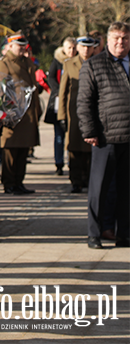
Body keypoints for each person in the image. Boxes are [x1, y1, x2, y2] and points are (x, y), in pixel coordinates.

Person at [77, 22, 130, 249]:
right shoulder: (93, 65)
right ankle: (94, 234)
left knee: (126, 190)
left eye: (125, 38)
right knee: (99, 188)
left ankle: (124, 234)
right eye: (116, 38)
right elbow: (84, 102)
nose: (121, 42)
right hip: (104, 137)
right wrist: (89, 131)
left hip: (129, 137)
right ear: (107, 41)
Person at [0, 34, 42, 195]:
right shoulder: (3, 63)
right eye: (18, 45)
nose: (22, 48)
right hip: (13, 114)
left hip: (27, 114)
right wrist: (4, 113)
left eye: (24, 45)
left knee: (23, 151)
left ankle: (19, 182)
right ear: (10, 46)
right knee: (10, 150)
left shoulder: (28, 62)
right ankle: (9, 183)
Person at [59, 34, 97, 194]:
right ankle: (75, 181)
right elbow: (63, 92)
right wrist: (61, 115)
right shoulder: (69, 64)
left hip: (93, 112)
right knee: (74, 148)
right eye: (83, 46)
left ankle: (88, 179)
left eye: (89, 47)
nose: (86, 50)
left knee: (90, 149)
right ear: (78, 47)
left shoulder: (98, 63)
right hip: (74, 113)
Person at [45, 37, 76, 176]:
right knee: (59, 136)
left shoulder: (78, 61)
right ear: (63, 48)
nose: (72, 51)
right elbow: (50, 78)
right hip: (58, 102)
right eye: (69, 48)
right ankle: (58, 163)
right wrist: (59, 90)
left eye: (74, 48)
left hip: (73, 102)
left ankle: (71, 162)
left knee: (71, 135)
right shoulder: (58, 61)